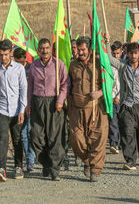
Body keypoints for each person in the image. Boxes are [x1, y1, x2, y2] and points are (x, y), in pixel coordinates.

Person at [105, 34, 139, 171]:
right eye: (131, 53)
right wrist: (107, 42)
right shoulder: (123, 66)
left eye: (136, 53)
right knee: (127, 133)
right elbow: (109, 59)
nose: (134, 56)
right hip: (127, 106)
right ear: (127, 54)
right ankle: (130, 161)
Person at [27, 39, 69, 181]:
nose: (44, 51)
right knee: (36, 136)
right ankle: (45, 162)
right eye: (41, 48)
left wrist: (60, 100)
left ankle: (55, 169)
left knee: (54, 137)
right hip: (37, 102)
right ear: (38, 50)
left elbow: (65, 84)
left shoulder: (59, 64)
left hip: (54, 103)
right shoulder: (34, 66)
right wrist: (28, 104)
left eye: (46, 48)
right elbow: (30, 87)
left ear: (50, 49)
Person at [67, 36, 108, 182]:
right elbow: (69, 87)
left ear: (90, 49)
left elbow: (109, 83)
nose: (80, 52)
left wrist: (100, 93)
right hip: (77, 109)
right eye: (78, 49)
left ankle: (95, 169)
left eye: (83, 49)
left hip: (96, 108)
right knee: (76, 138)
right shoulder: (72, 65)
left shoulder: (99, 63)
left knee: (98, 139)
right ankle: (86, 160)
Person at [0, 40, 27, 182]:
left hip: (16, 110)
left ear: (11, 52)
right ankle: (1, 168)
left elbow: (23, 90)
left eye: (6, 54)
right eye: (1, 54)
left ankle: (18, 166)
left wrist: (22, 110)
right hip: (1, 109)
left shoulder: (19, 69)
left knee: (17, 139)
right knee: (2, 138)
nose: (3, 57)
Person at [13, 47, 35, 172]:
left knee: (30, 132)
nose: (20, 65)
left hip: (30, 105)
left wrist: (30, 104)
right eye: (17, 62)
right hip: (18, 106)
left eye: (22, 62)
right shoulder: (13, 69)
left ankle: (31, 159)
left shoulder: (31, 68)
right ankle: (28, 158)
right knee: (22, 134)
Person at [109, 41, 123, 154]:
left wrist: (119, 97)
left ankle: (122, 142)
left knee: (122, 122)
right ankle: (114, 143)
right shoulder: (109, 67)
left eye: (118, 53)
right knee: (113, 122)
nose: (116, 56)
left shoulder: (124, 65)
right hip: (112, 99)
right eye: (113, 54)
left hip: (123, 100)